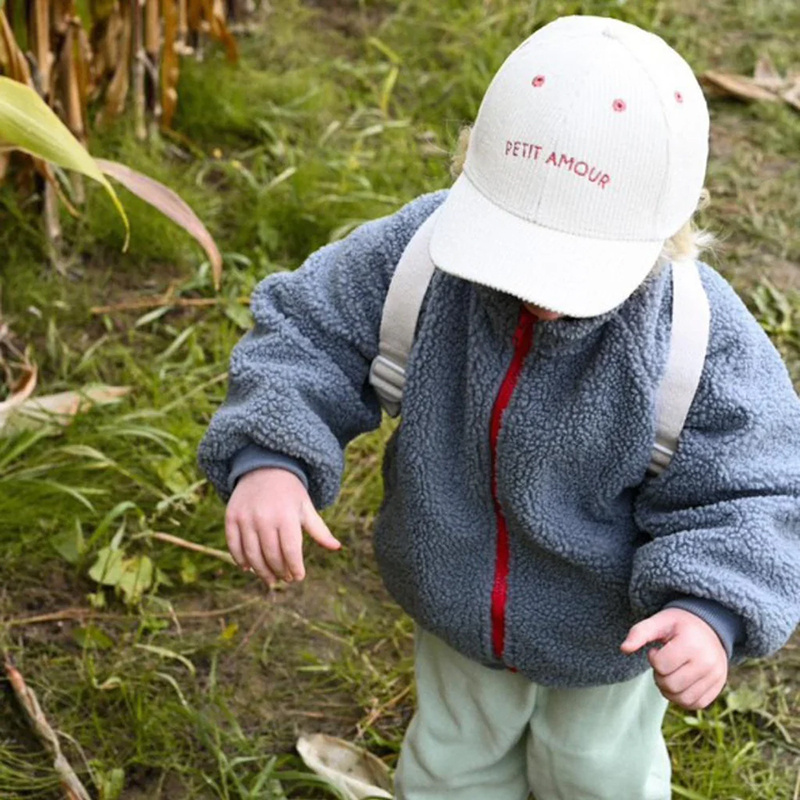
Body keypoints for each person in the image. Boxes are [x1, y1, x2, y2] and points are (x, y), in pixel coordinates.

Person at [198, 15, 800, 800]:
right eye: (514, 253)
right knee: (453, 760)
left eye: (572, 272)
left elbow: (753, 487)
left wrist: (709, 608)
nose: (538, 293)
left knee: (599, 774)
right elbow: (310, 331)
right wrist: (270, 456)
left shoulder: (697, 342)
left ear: (667, 231)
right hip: (453, 602)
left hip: (610, 638)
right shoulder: (419, 256)